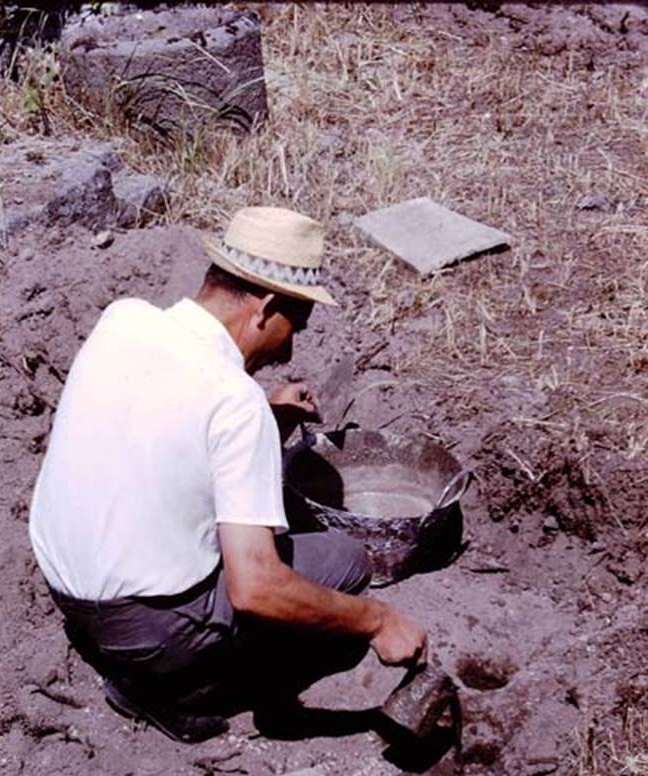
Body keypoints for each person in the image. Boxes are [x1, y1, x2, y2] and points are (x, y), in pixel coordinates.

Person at [29, 206, 428, 743]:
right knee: (344, 561)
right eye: (295, 326)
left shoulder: (126, 319)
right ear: (265, 307)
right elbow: (257, 588)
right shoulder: (234, 402)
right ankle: (182, 687)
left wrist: (264, 413)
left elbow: (157, 409)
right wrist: (376, 619)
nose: (289, 348)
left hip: (69, 591)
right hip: (150, 632)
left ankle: (144, 664)